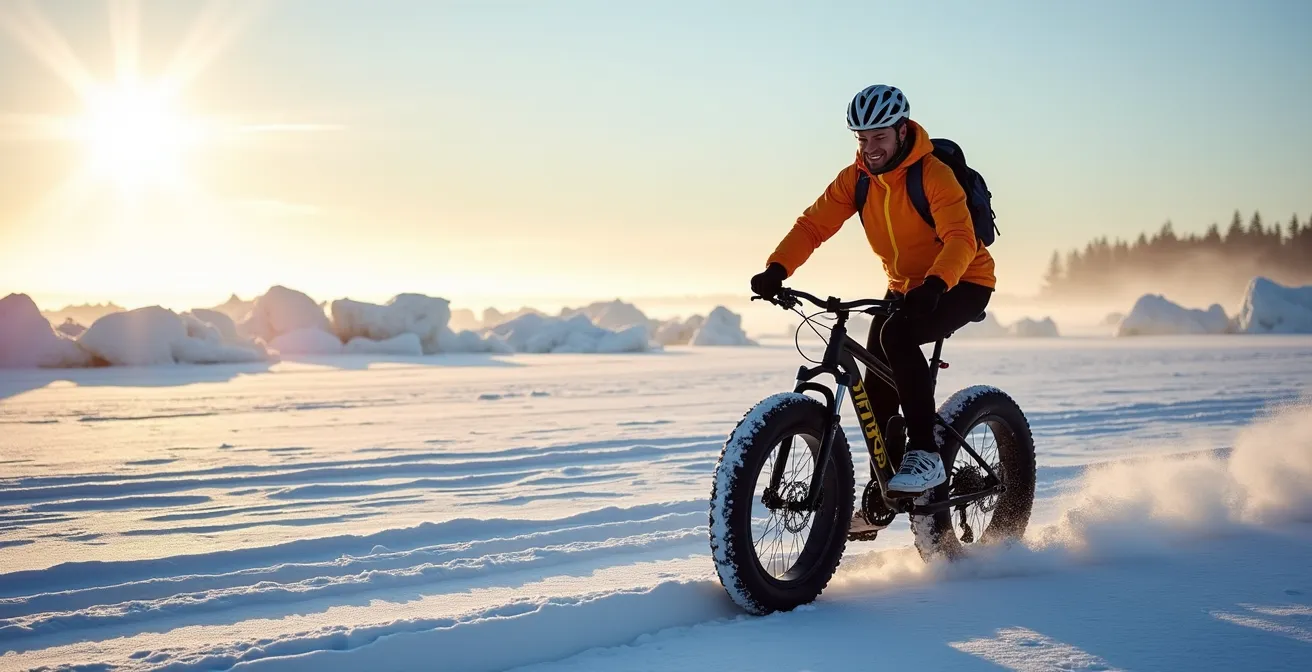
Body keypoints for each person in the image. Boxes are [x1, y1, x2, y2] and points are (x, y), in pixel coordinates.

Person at [750, 84, 996, 512]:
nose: (870, 147)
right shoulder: (857, 179)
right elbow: (813, 226)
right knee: (877, 380)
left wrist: (936, 284)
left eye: (879, 136)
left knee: (897, 338)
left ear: (902, 131)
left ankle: (926, 455)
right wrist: (777, 268)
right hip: (904, 287)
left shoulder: (933, 174)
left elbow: (960, 237)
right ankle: (889, 484)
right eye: (861, 139)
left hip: (962, 281)